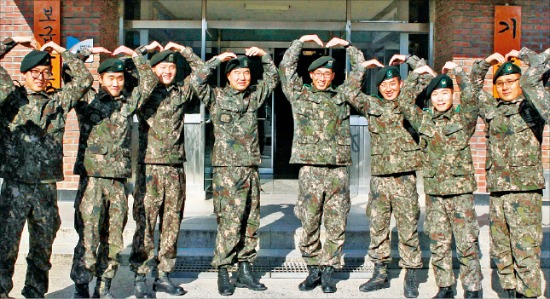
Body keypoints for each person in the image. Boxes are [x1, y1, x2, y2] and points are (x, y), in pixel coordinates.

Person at [278, 34, 381, 294]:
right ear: (311, 76)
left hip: (337, 171)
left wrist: (348, 46)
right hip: (310, 169)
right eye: (318, 74)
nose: (323, 78)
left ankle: (328, 271)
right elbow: (286, 69)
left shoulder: (342, 95)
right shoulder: (299, 95)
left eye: (327, 74)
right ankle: (313, 266)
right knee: (310, 221)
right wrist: (300, 42)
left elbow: (359, 71)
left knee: (336, 223)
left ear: (333, 76)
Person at [0, 37, 93, 298]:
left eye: (45, 72)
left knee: (42, 247)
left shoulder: (58, 102)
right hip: (15, 186)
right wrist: (13, 42)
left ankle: (35, 292)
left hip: (45, 188)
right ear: (25, 74)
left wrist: (63, 52)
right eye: (35, 72)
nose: (41, 77)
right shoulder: (11, 99)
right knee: (6, 245)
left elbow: (84, 80)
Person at [69, 42, 159, 299]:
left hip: (118, 182)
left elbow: (149, 83)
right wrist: (86, 53)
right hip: (92, 181)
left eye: (120, 78)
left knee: (113, 238)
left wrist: (136, 55)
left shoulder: (127, 103)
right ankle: (81, 287)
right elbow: (71, 72)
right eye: (111, 78)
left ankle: (104, 285)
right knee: (88, 237)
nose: (117, 83)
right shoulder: (87, 99)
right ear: (101, 78)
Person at [190, 46, 279, 296]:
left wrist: (263, 56)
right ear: (228, 76)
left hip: (250, 169)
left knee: (251, 221)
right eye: (237, 73)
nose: (242, 77)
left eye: (246, 73)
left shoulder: (253, 97)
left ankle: (244, 269)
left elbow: (273, 78)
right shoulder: (216, 96)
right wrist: (216, 60)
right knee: (229, 222)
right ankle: (223, 270)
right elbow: (196, 80)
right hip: (227, 171)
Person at [347, 51, 431, 298]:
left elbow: (425, 76)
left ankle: (412, 275)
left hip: (404, 178)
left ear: (400, 84)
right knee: (378, 227)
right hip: (380, 179)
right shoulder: (372, 105)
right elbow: (350, 93)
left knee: (408, 228)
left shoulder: (408, 99)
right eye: (383, 85)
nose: (388, 89)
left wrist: (408, 60)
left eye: (392, 83)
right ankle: (380, 273)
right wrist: (361, 67)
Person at [397, 62, 483, 298]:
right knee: (439, 243)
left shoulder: (463, 119)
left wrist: (458, 72)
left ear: (452, 95)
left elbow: (472, 98)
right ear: (431, 98)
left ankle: (472, 289)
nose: (441, 98)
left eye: (445, 93)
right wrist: (416, 74)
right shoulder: (424, 121)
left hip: (460, 194)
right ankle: (445, 287)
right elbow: (404, 102)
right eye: (436, 94)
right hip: (435, 194)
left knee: (466, 244)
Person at [471, 49, 547, 299]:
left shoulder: (533, 105)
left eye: (511, 81)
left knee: (525, 248)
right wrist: (484, 64)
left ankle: (529, 294)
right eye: (500, 83)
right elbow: (471, 87)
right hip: (498, 191)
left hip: (525, 192)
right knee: (502, 249)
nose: (505, 87)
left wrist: (524, 53)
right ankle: (511, 291)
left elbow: (536, 74)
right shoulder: (492, 108)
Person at [130, 42, 203, 298]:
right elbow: (136, 64)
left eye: (172, 67)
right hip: (149, 168)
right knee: (145, 224)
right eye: (162, 67)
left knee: (172, 224)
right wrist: (144, 51)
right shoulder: (143, 92)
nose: (168, 71)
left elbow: (202, 72)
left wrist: (185, 51)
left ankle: (164, 275)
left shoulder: (181, 92)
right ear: (152, 70)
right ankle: (140, 275)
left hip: (174, 169)